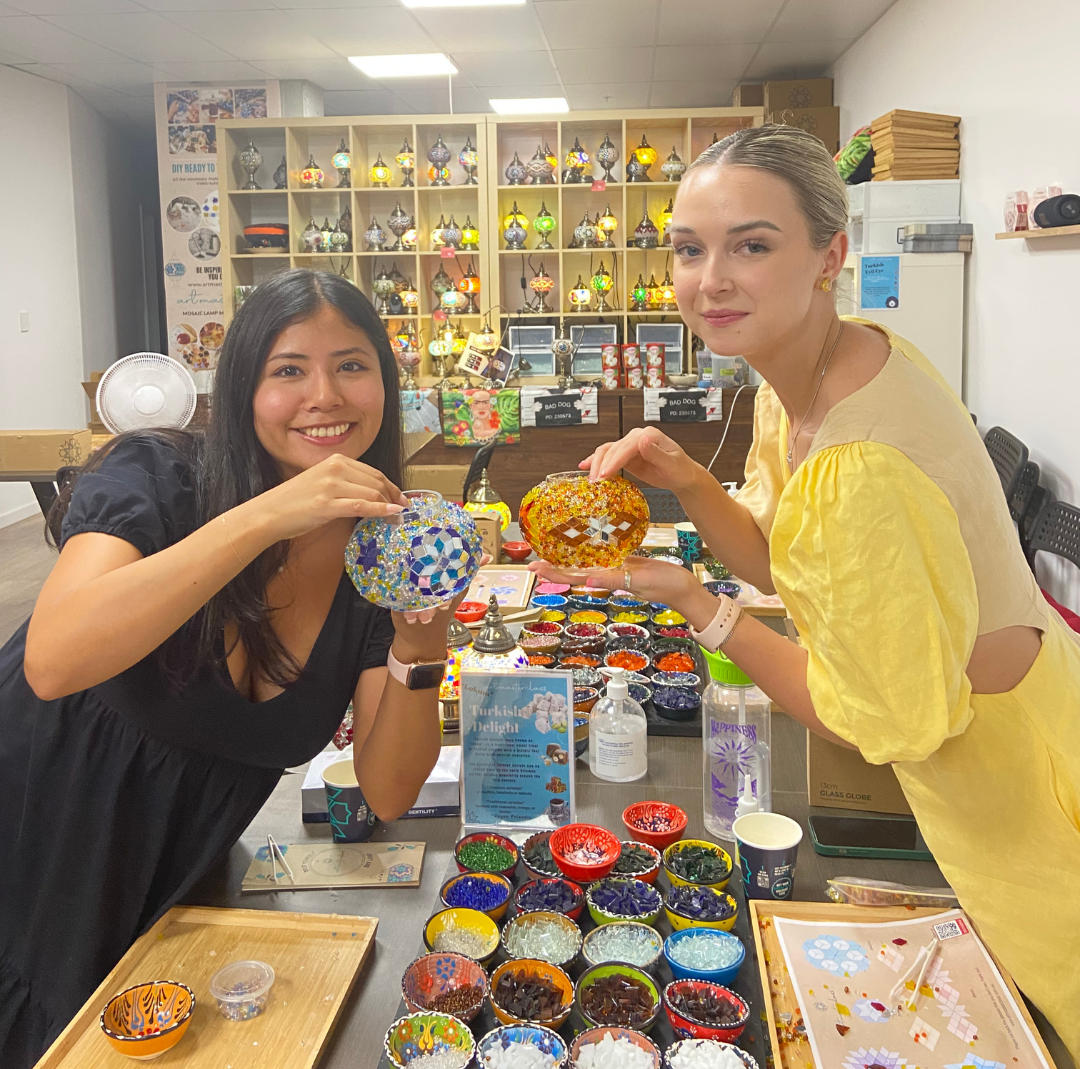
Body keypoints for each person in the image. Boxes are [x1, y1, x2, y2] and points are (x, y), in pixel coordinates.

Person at [533, 125, 1080, 1058]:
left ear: (830, 255)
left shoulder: (860, 466)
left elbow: (871, 721)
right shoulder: (829, 366)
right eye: (689, 249)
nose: (711, 280)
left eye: (751, 245)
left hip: (1018, 786)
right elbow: (784, 560)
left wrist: (699, 607)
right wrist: (686, 478)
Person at [0, 270, 459, 1067]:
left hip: (171, 869)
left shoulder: (378, 557)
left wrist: (421, 649)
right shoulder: (158, 473)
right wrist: (269, 515)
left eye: (352, 365)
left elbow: (387, 792)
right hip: (35, 815)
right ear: (243, 387)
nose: (325, 395)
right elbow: (55, 659)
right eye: (289, 370)